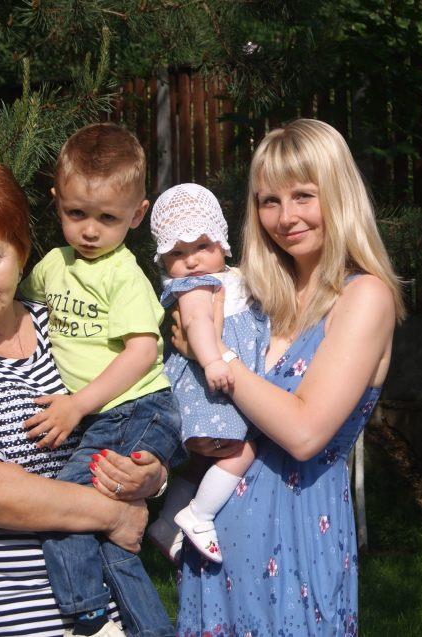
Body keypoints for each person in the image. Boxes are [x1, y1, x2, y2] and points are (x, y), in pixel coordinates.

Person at [176, 118, 406, 636]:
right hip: (216, 548)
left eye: (303, 196)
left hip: (297, 547)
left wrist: (214, 355)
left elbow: (304, 433)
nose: (285, 218)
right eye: (269, 201)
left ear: (338, 194)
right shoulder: (252, 298)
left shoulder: (363, 297)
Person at [0, 155, 166, 637]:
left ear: (21, 250)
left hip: (109, 616)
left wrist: (150, 475)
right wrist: (115, 514)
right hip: (0, 622)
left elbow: (134, 408)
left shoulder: (63, 323)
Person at [19, 123, 181, 637]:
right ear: (56, 202)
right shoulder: (53, 265)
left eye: (107, 218)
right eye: (76, 213)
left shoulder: (122, 274)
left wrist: (77, 405)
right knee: (112, 538)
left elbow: (143, 351)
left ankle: (86, 616)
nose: (90, 231)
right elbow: (19, 311)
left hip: (135, 409)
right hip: (107, 415)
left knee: (65, 507)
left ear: (136, 215)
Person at [145, 183, 269, 564]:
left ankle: (166, 524)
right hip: (209, 390)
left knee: (200, 463)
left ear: (221, 241)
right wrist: (213, 360)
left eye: (201, 246)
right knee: (241, 450)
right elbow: (197, 324)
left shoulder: (228, 277)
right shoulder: (197, 286)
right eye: (177, 253)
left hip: (215, 391)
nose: (192, 260)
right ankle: (200, 515)